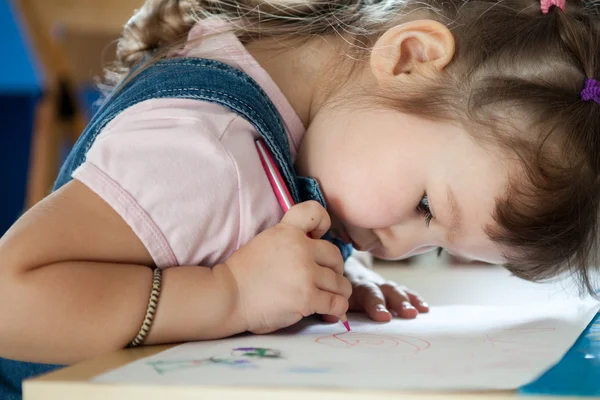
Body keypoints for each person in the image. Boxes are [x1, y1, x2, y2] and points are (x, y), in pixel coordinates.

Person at [1, 0, 598, 397]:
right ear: (410, 58)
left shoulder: (294, 123)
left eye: (436, 248)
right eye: (425, 208)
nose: (401, 250)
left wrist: (319, 281)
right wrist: (227, 295)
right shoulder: (207, 153)